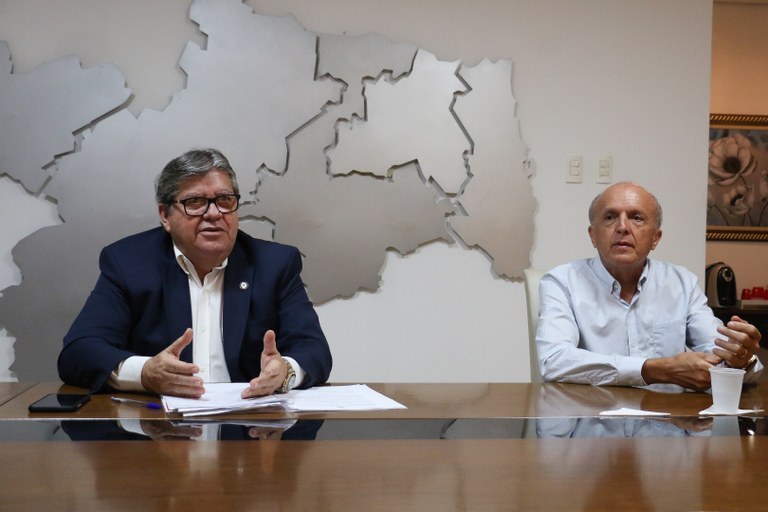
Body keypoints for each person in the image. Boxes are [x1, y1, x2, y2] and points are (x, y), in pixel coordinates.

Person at [58, 148, 332, 398]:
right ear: (165, 215)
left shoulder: (275, 265)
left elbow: (314, 350)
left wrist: (285, 372)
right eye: (196, 202)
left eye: (224, 200)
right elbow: (79, 351)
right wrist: (146, 373)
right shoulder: (129, 263)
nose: (214, 213)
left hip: (249, 426)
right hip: (158, 427)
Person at [536, 181, 762, 391]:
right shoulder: (562, 282)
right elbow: (554, 360)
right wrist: (656, 370)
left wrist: (739, 359)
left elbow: (721, 359)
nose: (622, 227)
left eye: (636, 218)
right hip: (592, 417)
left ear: (655, 238)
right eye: (610, 217)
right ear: (593, 235)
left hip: (669, 417)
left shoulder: (682, 284)